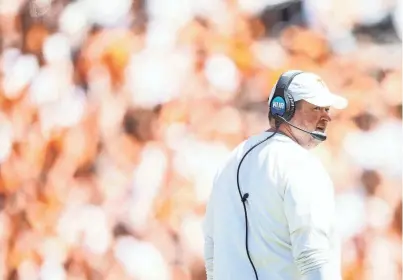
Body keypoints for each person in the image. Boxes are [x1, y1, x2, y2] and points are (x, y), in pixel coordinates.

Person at [202, 70, 348, 280]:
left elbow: (211, 252)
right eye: (316, 108)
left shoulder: (230, 160)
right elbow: (314, 255)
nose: (327, 117)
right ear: (285, 108)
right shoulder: (301, 164)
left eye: (326, 109)